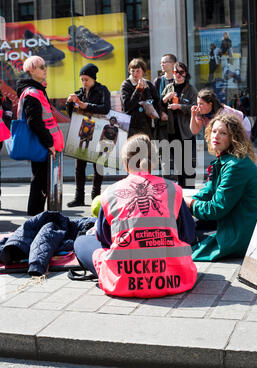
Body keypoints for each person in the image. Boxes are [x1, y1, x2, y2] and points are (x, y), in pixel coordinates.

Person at [73, 134, 197, 298]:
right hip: (174, 276)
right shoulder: (173, 189)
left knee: (81, 241)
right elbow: (189, 236)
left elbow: (105, 240)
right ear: (153, 163)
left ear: (125, 163)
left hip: (124, 279)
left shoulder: (110, 193)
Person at [185, 113, 257, 262]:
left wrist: (189, 204)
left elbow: (216, 208)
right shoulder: (226, 159)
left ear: (233, 138)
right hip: (233, 220)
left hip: (241, 232)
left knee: (185, 249)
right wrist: (185, 202)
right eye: (214, 131)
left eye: (223, 133)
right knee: (189, 228)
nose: (216, 136)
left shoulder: (235, 165)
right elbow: (208, 191)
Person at [16, 55, 64, 216]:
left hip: (42, 143)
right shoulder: (32, 93)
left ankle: (36, 217)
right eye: (41, 67)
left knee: (41, 181)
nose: (45, 69)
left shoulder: (36, 90)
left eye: (45, 66)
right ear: (31, 70)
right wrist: (49, 142)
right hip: (41, 144)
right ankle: (35, 218)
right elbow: (34, 121)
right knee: (40, 182)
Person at [66, 63, 111, 207]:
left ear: (93, 78)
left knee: (98, 164)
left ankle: (95, 196)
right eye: (82, 79)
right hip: (84, 130)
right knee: (79, 166)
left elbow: (106, 109)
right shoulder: (79, 92)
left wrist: (87, 106)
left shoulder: (102, 90)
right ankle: (79, 197)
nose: (84, 82)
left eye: (86, 79)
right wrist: (69, 104)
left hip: (99, 132)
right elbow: (71, 114)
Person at [160, 62, 197, 187]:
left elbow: (195, 107)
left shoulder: (190, 89)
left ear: (185, 74)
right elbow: (158, 105)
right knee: (178, 166)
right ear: (173, 73)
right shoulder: (169, 88)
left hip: (186, 132)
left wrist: (180, 106)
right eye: (176, 72)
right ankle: (181, 194)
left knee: (189, 167)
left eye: (181, 72)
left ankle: (191, 192)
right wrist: (165, 99)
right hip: (172, 132)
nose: (179, 75)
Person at [120, 58, 159, 139]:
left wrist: (154, 111)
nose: (135, 74)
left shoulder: (148, 84)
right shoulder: (126, 85)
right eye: (132, 71)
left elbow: (156, 101)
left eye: (138, 71)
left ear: (143, 71)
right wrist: (138, 90)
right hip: (131, 126)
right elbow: (127, 106)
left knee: (147, 149)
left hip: (146, 124)